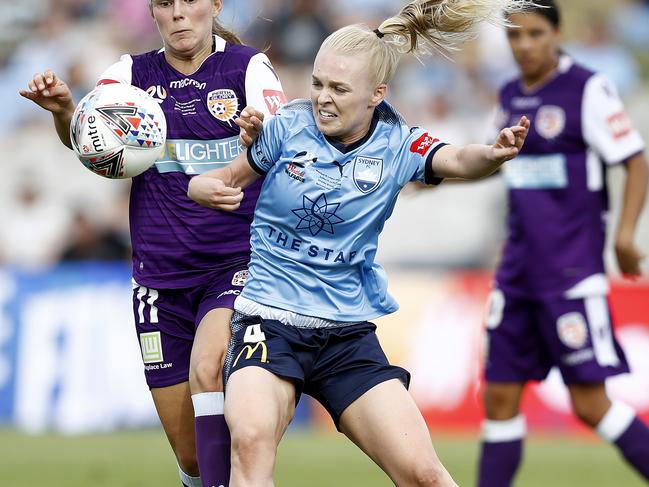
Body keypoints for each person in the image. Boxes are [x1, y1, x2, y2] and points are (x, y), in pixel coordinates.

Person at [188, 1, 531, 484]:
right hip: (267, 322)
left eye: (339, 88)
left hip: (345, 336)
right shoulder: (287, 126)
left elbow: (458, 160)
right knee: (249, 441)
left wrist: (493, 154)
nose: (323, 98)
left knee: (426, 475)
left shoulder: (399, 144)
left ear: (377, 94)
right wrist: (200, 185)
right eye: (318, 84)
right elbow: (231, 175)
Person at [19, 1, 286, 486]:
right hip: (158, 278)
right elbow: (92, 142)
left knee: (209, 369)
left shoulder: (247, 67)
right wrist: (63, 113)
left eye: (190, 1)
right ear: (153, 13)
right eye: (166, 3)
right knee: (191, 459)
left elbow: (278, 134)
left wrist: (257, 132)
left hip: (236, 265)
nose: (180, 14)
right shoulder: (129, 74)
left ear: (215, 5)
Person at [476, 2, 649, 486]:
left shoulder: (587, 88)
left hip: (570, 275)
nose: (524, 45)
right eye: (514, 36)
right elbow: (488, 161)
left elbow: (634, 161)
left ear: (556, 32)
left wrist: (625, 235)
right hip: (516, 274)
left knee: (591, 405)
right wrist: (426, 177)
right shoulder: (509, 93)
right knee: (499, 400)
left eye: (534, 33)